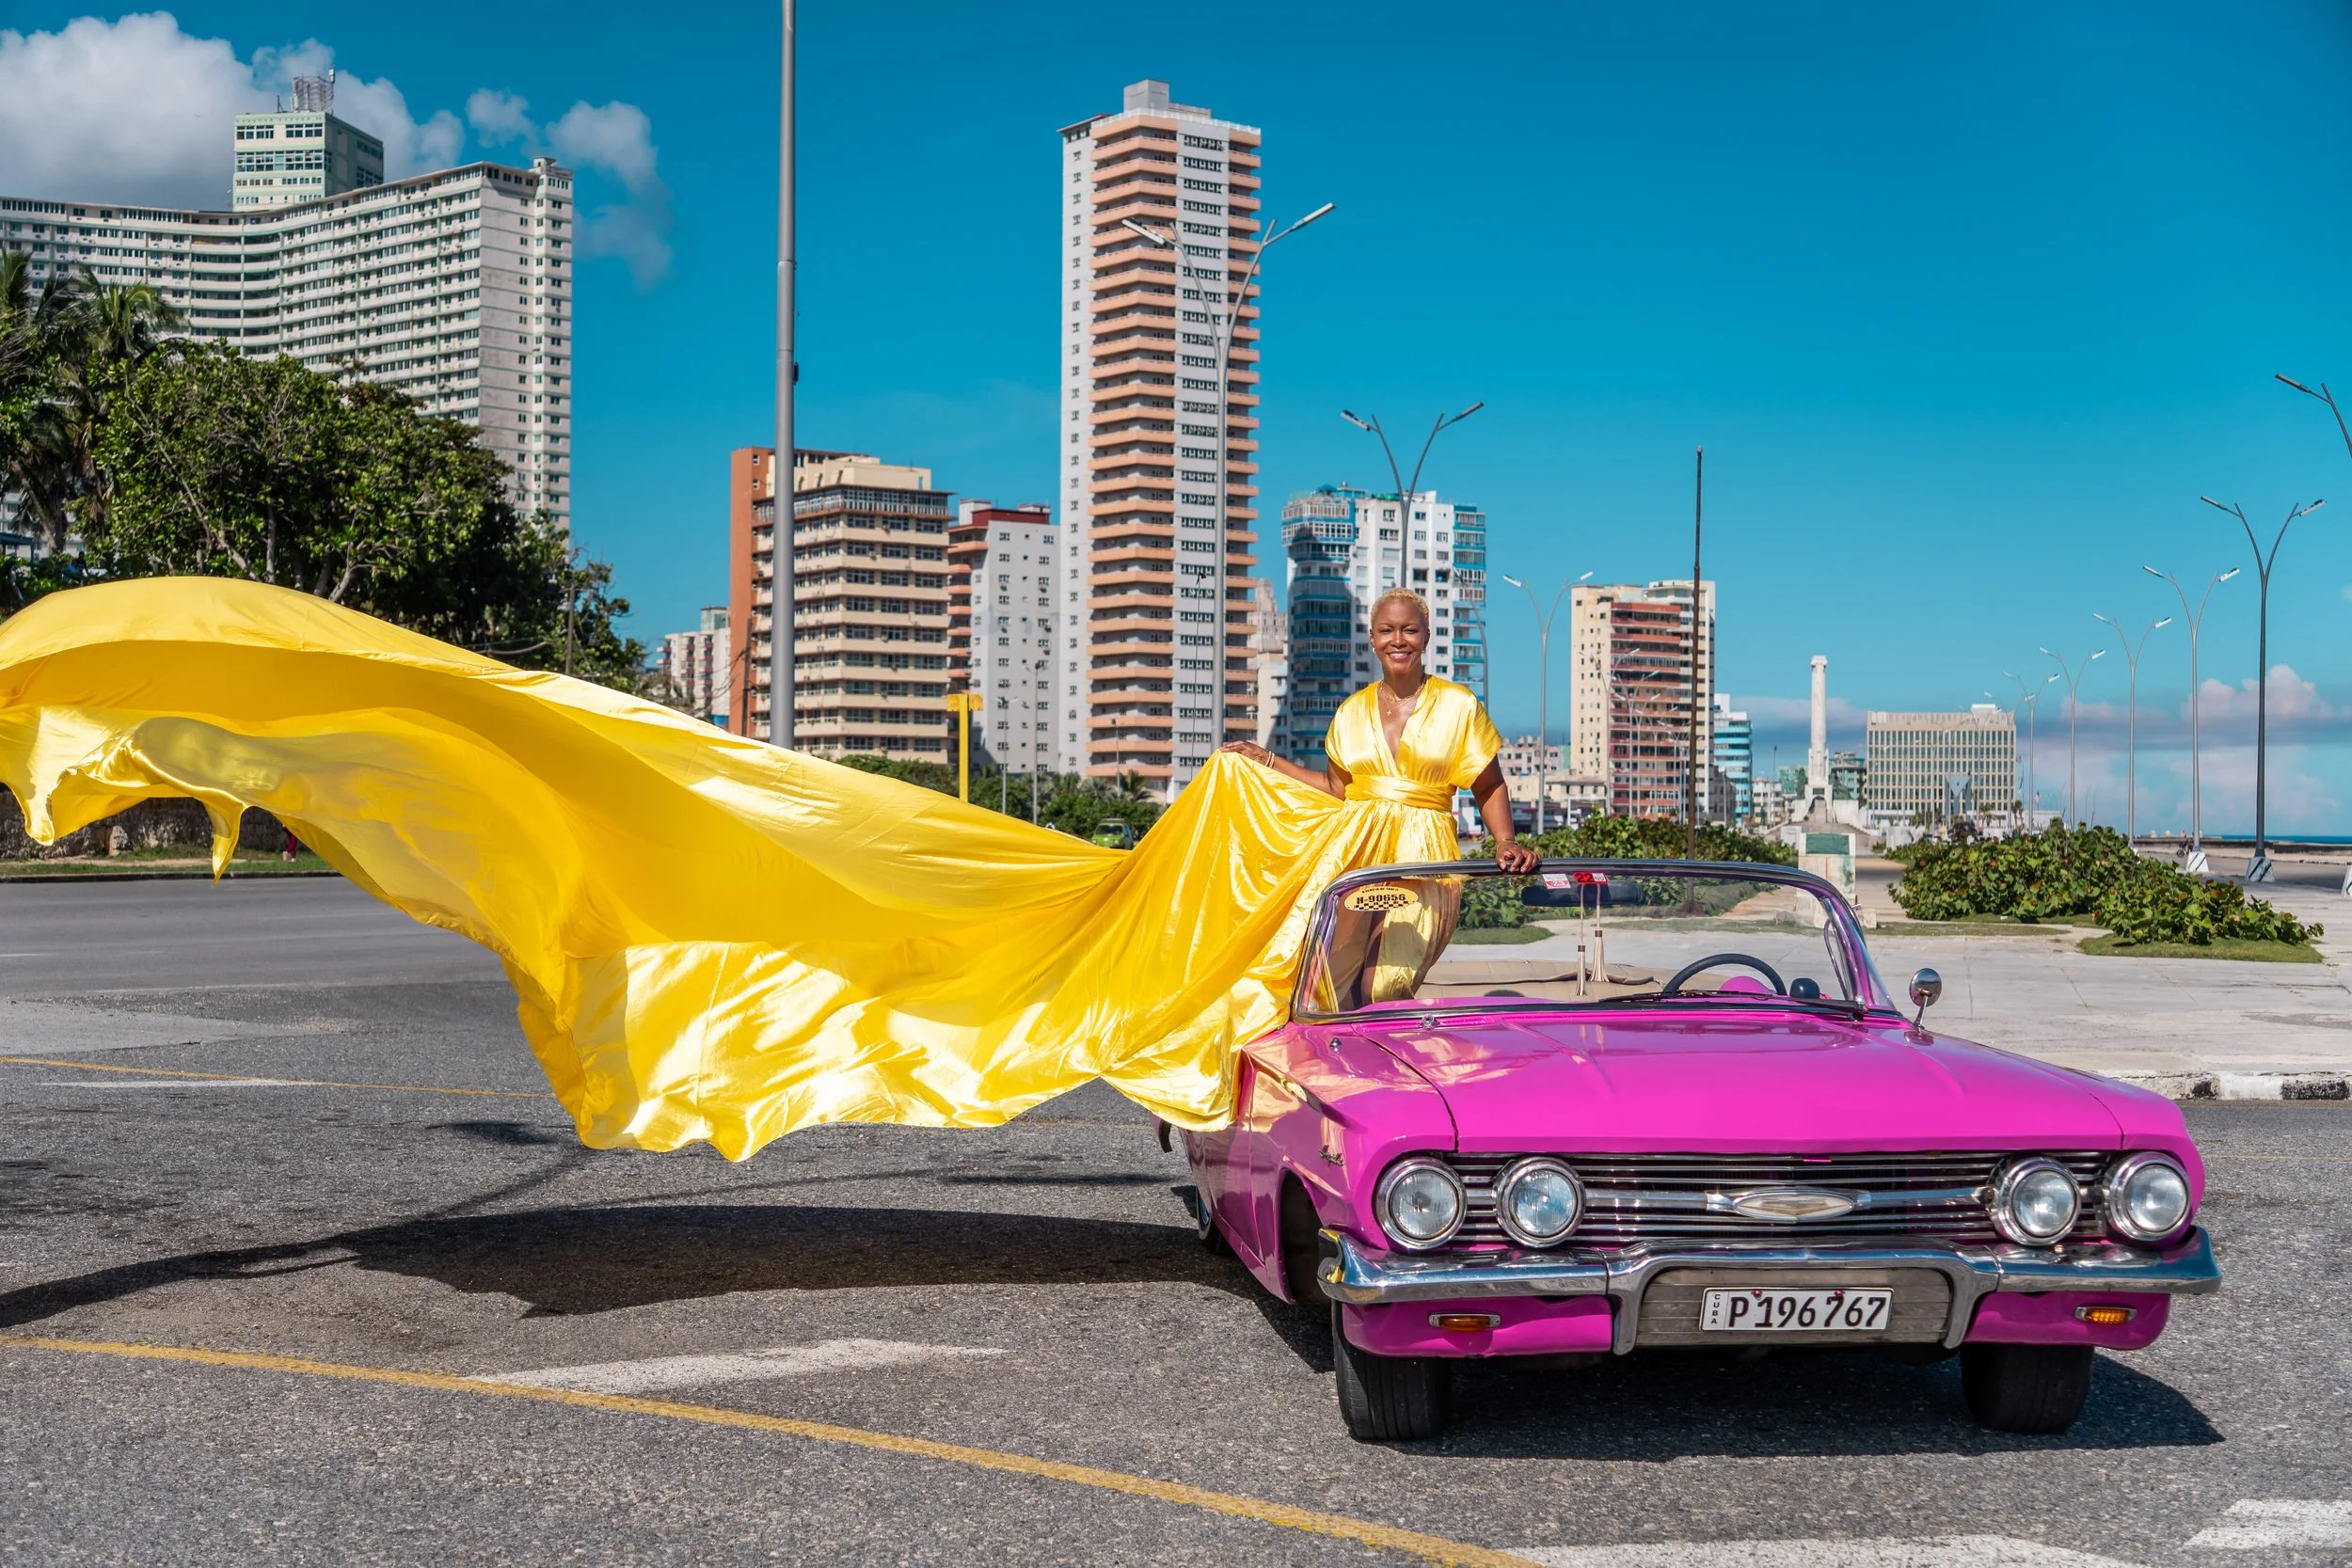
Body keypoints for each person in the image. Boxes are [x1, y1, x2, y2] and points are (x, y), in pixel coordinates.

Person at [0, 578, 1533, 1159]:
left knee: (1396, 986)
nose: (1399, 644)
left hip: (1427, 855)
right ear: (1372, 642)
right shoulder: (1350, 714)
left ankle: (1382, 1115)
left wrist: (1510, 835)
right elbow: (1336, 787)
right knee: (1345, 978)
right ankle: (1346, 1114)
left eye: (1411, 631)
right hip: (1361, 848)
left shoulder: (1456, 711)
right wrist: (1262, 771)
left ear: (1431, 641)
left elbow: (1479, 783)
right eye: (1387, 632)